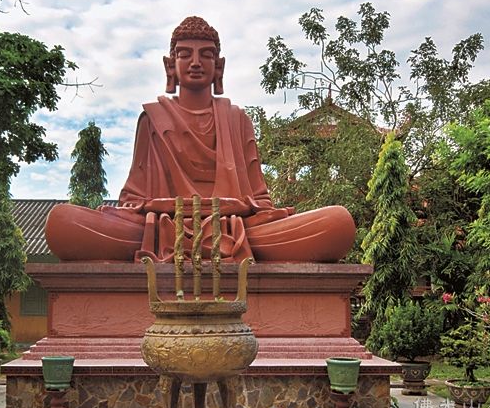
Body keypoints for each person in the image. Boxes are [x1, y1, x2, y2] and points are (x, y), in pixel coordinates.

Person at [45, 16, 356, 262]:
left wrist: (237, 207)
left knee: (337, 224)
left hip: (237, 228)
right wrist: (167, 208)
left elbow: (260, 202)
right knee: (64, 222)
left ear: (218, 66)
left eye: (205, 55)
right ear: (171, 66)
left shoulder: (238, 120)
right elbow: (133, 201)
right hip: (160, 227)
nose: (195, 62)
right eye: (185, 54)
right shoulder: (152, 120)